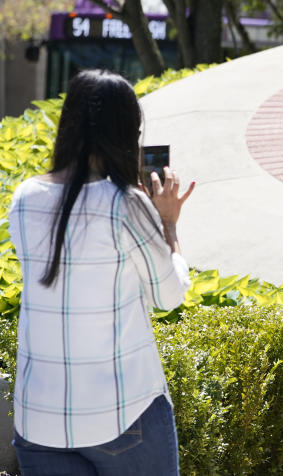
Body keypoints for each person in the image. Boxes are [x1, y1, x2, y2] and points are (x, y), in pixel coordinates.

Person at [8, 69, 195, 475]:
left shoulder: (24, 198)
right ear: (126, 131)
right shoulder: (126, 204)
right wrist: (168, 224)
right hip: (122, 417)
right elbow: (169, 295)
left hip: (38, 420)